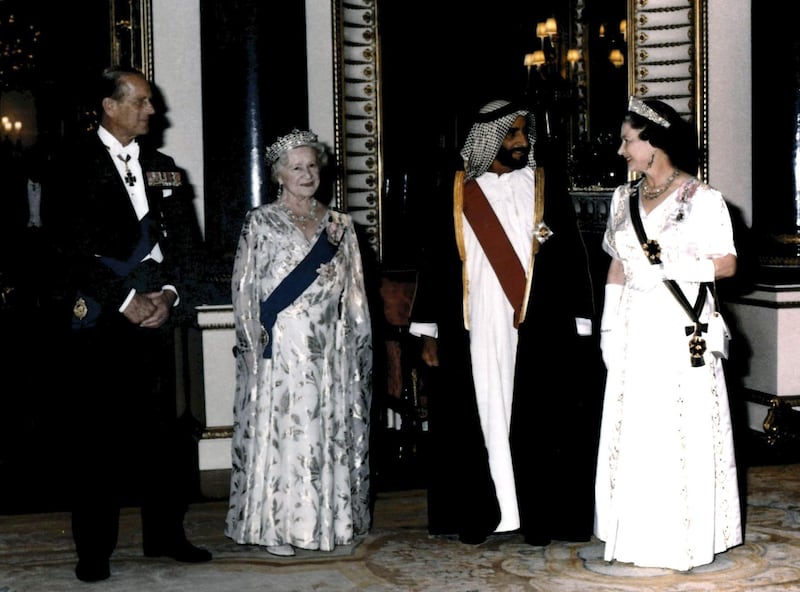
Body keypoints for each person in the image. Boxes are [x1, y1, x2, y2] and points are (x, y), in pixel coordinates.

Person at [408, 99, 604, 546]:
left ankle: (539, 517)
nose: (520, 141)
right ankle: (480, 514)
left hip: (537, 325)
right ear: (488, 139)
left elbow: (570, 254)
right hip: (472, 326)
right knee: (478, 416)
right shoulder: (458, 190)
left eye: (522, 133)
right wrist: (428, 330)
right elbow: (435, 262)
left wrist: (580, 320)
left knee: (538, 418)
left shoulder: (541, 185)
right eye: (511, 133)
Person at [44, 65, 212, 582]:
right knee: (98, 438)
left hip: (158, 318)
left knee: (165, 433)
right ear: (109, 106)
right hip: (100, 320)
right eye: (140, 101)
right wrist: (123, 298)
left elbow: (188, 245)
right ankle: (94, 549)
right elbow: (65, 250)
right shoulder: (69, 165)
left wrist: (169, 294)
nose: (152, 110)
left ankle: (165, 533)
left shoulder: (164, 166)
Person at [594, 97, 742, 571]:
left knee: (677, 425)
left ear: (654, 143)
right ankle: (634, 536)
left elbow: (728, 263)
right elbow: (617, 263)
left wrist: (676, 267)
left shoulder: (702, 199)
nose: (621, 150)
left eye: (628, 140)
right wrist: (609, 324)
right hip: (635, 324)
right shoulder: (623, 198)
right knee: (635, 423)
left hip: (679, 325)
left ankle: (684, 538)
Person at [224, 129, 373, 557]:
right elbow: (245, 288)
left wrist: (355, 345)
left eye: (312, 166)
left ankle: (326, 523)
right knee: (288, 433)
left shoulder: (340, 226)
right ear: (279, 175)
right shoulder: (261, 222)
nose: (307, 175)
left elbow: (356, 295)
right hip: (282, 347)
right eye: (296, 168)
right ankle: (279, 527)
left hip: (329, 350)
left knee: (323, 430)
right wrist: (253, 344)